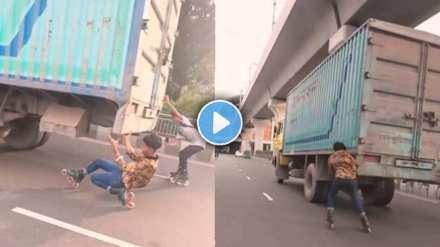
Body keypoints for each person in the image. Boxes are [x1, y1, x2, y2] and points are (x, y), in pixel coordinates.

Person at [62, 133, 162, 208]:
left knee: (94, 178)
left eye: (144, 145)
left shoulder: (149, 164)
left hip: (126, 180)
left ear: (150, 149)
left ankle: (119, 191)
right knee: (99, 162)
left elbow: (125, 167)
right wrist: (126, 137)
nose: (141, 147)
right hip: (126, 173)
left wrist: (115, 149)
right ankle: (79, 175)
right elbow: (133, 154)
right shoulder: (149, 155)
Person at [326, 142, 372, 233]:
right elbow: (356, 166)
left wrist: (334, 175)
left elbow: (330, 168)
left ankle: (330, 218)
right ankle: (364, 218)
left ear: (334, 148)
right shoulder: (350, 156)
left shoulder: (333, 156)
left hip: (339, 178)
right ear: (344, 147)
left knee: (331, 195)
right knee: (355, 198)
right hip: (352, 179)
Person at [163, 95, 206, 185]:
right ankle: (180, 172)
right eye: (172, 119)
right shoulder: (179, 129)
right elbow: (175, 141)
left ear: (178, 117)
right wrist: (167, 142)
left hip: (200, 144)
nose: (173, 120)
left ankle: (184, 175)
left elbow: (175, 111)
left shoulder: (185, 121)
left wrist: (168, 102)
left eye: (174, 118)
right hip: (195, 144)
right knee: (182, 154)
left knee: (183, 154)